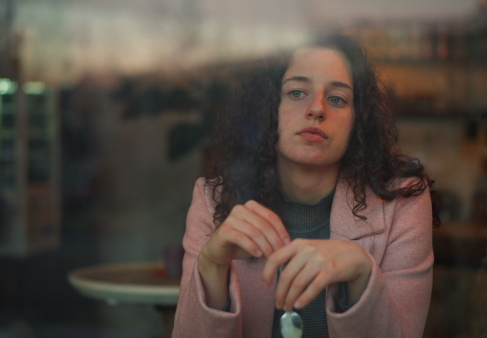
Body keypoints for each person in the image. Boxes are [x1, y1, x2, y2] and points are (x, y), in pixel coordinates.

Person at [173, 34, 438, 338]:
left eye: (337, 98)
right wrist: (211, 266)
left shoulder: (401, 201)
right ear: (268, 108)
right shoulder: (213, 199)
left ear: (358, 121)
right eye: (297, 92)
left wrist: (362, 274)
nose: (317, 109)